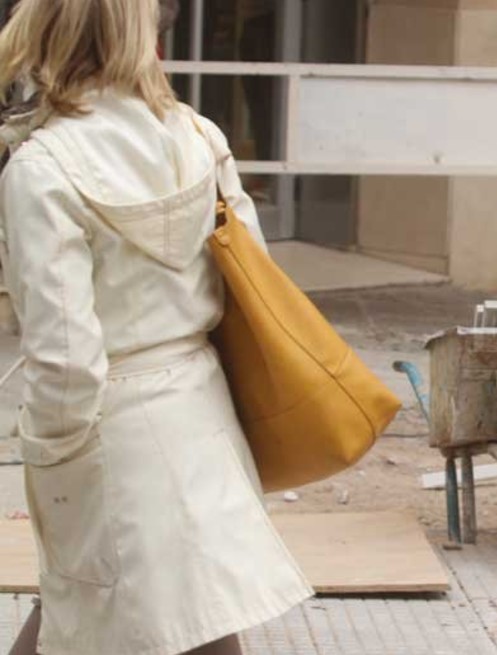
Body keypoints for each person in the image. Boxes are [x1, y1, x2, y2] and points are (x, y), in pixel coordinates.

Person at [0, 2, 314, 654]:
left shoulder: (41, 166)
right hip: (201, 411)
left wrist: (49, 453)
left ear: (46, 34)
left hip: (109, 432)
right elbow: (251, 283)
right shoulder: (199, 135)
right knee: (191, 619)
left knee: (118, 618)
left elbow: (65, 357)